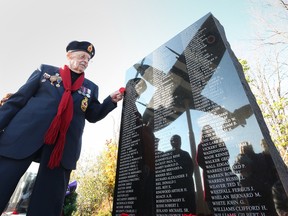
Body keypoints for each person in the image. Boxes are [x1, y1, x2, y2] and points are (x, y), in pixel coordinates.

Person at [0, 40, 124, 216]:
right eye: (82, 56)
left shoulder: (90, 88)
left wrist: (110, 101)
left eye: (88, 59)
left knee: (48, 201)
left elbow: (93, 115)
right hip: (23, 136)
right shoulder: (46, 72)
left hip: (61, 147)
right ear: (69, 56)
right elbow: (18, 100)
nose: (85, 61)